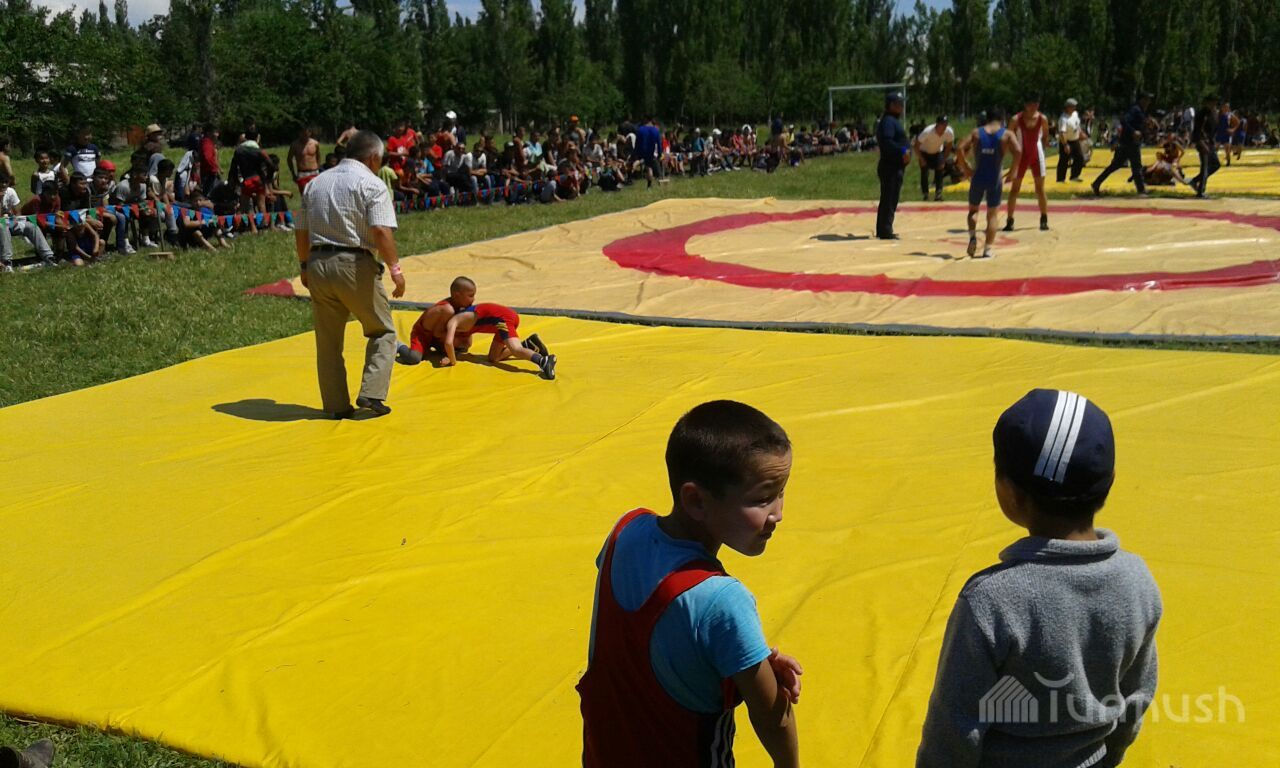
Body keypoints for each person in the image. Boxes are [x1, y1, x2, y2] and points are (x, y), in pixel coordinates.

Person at [917, 389, 1161, 768]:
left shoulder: (991, 601)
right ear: (1110, 481)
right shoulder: (1138, 581)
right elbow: (1136, 697)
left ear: (1008, 493)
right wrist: (1108, 758)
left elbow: (954, 729)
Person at [577, 400, 800, 768]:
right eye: (762, 499)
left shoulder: (625, 531)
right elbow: (772, 716)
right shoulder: (723, 601)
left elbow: (650, 644)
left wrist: (741, 655)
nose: (778, 514)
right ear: (696, 500)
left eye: (781, 492)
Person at [295, 130, 406, 418]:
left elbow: (301, 230)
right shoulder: (372, 184)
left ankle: (336, 406)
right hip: (354, 265)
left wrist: (304, 265)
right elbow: (380, 230)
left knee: (328, 342)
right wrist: (395, 269)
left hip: (318, 263)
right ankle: (372, 392)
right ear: (373, 157)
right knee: (383, 331)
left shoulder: (315, 183)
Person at [957, 108, 1020, 260]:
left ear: (987, 119)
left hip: (978, 176)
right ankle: (987, 249)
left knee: (973, 210)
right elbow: (1018, 151)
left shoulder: (977, 133)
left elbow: (959, 148)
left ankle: (973, 237)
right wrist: (1013, 171)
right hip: (994, 178)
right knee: (992, 215)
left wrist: (966, 168)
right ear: (1002, 119)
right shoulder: (1007, 134)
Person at [441, 303, 557, 379]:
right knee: (493, 358)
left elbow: (449, 343)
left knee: (516, 349)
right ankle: (529, 345)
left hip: (503, 319)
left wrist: (452, 360)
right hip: (500, 321)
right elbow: (466, 345)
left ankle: (543, 360)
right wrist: (452, 353)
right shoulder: (461, 326)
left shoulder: (454, 322)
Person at [396, 276, 478, 364]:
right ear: (457, 295)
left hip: (437, 337)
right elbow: (438, 334)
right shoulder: (447, 310)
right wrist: (450, 353)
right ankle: (398, 345)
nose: (473, 299)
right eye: (471, 296)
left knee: (463, 346)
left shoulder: (462, 307)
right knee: (414, 358)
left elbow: (467, 342)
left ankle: (442, 349)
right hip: (423, 335)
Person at [1091, 92, 1152, 197]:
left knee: (1116, 165)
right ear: (1141, 100)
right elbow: (1124, 120)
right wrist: (1133, 132)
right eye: (1147, 99)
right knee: (1136, 166)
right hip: (1130, 142)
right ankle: (1141, 190)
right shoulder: (1135, 109)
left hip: (1128, 142)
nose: (1149, 102)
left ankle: (1097, 183)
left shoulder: (1141, 110)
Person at [1005, 96, 1051, 231]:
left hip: (1036, 154)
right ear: (1025, 105)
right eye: (1030, 104)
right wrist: (1014, 153)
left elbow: (1046, 135)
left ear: (1038, 104)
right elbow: (1008, 137)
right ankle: (1010, 220)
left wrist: (1043, 149)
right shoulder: (1016, 119)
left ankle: (1044, 219)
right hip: (1021, 155)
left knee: (1040, 189)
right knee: (1015, 189)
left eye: (1035, 104)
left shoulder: (1042, 119)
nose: (1032, 107)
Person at [0, 172, 57, 271]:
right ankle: (7, 261)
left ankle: (49, 257)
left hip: (10, 221)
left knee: (31, 226)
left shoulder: (10, 192)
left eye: (6, 182)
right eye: (1, 182)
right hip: (1, 224)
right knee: (2, 227)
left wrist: (14, 218)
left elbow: (17, 212)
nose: (4, 185)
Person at [875, 91, 911, 240]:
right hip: (890, 166)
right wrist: (903, 150)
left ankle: (885, 228)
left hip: (894, 166)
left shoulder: (892, 120)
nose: (902, 107)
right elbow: (887, 142)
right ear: (891, 105)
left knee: (891, 197)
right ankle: (885, 230)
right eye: (899, 104)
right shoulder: (888, 121)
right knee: (889, 198)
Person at [229, 130, 273, 222]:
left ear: (246, 138)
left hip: (247, 179)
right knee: (261, 204)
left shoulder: (239, 151)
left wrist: (235, 180)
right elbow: (271, 164)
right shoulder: (259, 151)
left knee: (243, 206)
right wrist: (268, 178)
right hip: (258, 179)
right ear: (257, 138)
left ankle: (236, 225)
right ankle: (265, 224)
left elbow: (233, 167)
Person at [913, 116, 954, 202]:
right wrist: (921, 159)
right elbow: (916, 145)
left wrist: (944, 158)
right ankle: (925, 194)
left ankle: (938, 193)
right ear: (937, 125)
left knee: (940, 169)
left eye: (945, 125)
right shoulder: (927, 131)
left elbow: (949, 145)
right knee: (924, 172)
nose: (944, 127)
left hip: (937, 152)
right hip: (924, 152)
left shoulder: (949, 132)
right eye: (942, 125)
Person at [1189, 94, 1221, 199]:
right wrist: (1201, 143)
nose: (1213, 104)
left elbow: (1213, 129)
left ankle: (1195, 180)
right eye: (1211, 102)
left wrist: (1214, 142)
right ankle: (1201, 191)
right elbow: (1197, 131)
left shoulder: (1213, 113)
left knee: (1216, 164)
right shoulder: (1202, 114)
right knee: (1205, 166)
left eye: (1215, 103)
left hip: (1210, 142)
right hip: (1202, 142)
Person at [1056, 98, 1085, 182]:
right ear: (1067, 107)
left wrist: (1081, 133)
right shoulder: (1063, 119)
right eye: (1072, 106)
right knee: (1064, 160)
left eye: (1075, 106)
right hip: (1066, 141)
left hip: (1075, 140)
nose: (1074, 108)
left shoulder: (1075, 114)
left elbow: (1077, 125)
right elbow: (1062, 133)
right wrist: (1065, 145)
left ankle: (1074, 176)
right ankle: (1060, 178)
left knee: (1079, 158)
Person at [288, 126, 322, 192]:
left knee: (316, 193)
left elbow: (318, 156)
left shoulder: (315, 143)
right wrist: (293, 173)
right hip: (302, 173)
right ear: (299, 133)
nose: (304, 136)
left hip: (314, 172)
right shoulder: (294, 145)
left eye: (306, 134)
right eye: (303, 134)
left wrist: (318, 167)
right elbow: (289, 159)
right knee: (304, 194)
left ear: (310, 133)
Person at [632, 118, 664, 188]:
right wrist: (660, 153)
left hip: (643, 152)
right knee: (656, 167)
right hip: (652, 152)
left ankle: (649, 185)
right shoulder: (655, 130)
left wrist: (636, 153)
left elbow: (637, 143)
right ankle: (661, 182)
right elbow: (659, 143)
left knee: (649, 167)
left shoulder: (640, 129)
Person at [198, 123, 222, 195]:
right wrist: (214, 168)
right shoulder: (207, 143)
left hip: (209, 172)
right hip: (209, 174)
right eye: (215, 132)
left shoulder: (208, 142)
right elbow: (207, 157)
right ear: (208, 133)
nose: (217, 135)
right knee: (211, 193)